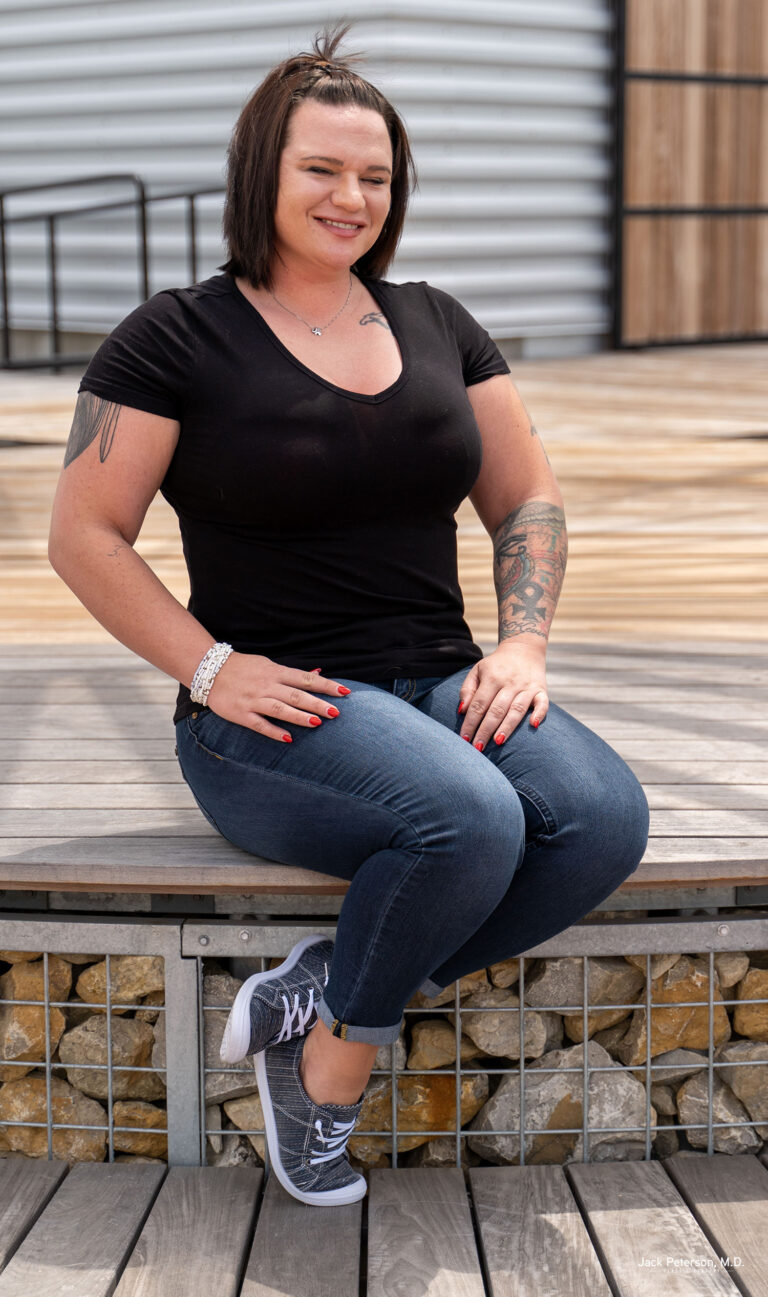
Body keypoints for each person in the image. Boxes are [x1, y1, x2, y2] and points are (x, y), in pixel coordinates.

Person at [48, 25, 649, 1206]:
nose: (352, 197)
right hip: (272, 708)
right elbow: (82, 535)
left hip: (438, 675)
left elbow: (526, 494)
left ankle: (324, 983)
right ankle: (327, 1079)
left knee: (599, 816)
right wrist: (211, 667)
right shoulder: (177, 335)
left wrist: (522, 643)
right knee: (472, 819)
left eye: (374, 176)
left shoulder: (434, 321)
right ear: (261, 173)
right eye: (322, 169)